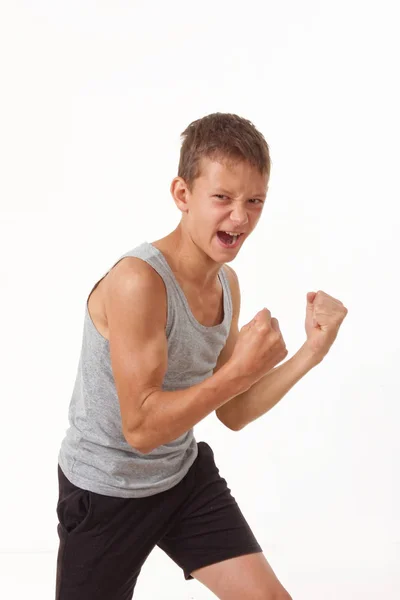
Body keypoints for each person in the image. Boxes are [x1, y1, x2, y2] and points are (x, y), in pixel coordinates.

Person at [56, 112, 348, 599]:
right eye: (223, 198)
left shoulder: (226, 283)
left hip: (181, 479)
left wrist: (310, 353)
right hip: (106, 490)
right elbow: (142, 429)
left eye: (255, 201)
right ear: (182, 195)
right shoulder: (138, 282)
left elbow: (231, 412)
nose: (240, 217)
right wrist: (238, 372)